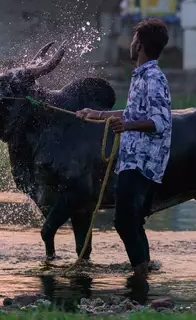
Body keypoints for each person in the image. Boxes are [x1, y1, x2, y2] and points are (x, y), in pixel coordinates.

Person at [76, 18, 172, 278]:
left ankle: (140, 274)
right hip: (132, 159)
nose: (130, 45)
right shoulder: (142, 76)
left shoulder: (153, 77)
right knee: (132, 220)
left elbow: (160, 122)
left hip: (143, 161)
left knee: (124, 221)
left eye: (133, 40)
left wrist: (127, 126)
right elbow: (131, 113)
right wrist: (95, 114)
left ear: (139, 45)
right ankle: (143, 271)